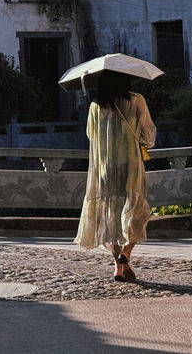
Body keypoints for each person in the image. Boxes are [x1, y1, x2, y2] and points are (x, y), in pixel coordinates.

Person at [74, 69, 156, 282]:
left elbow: (90, 135)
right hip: (130, 164)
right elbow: (148, 135)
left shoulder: (95, 105)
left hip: (105, 167)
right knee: (137, 209)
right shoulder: (136, 100)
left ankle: (118, 269)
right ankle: (126, 252)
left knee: (110, 214)